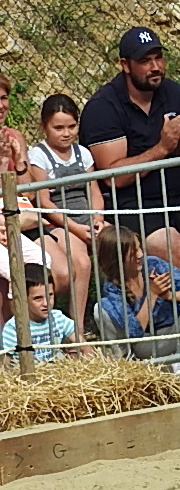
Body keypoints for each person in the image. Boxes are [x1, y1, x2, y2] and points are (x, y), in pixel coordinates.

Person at [80, 27, 180, 289]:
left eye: (158, 58)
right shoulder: (103, 107)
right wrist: (162, 147)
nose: (155, 66)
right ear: (125, 65)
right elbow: (114, 178)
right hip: (134, 203)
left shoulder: (175, 93)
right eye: (145, 61)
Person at [93, 222, 180, 380]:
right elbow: (134, 332)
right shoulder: (113, 288)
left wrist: (170, 296)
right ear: (117, 258)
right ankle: (128, 367)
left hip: (172, 335)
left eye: (139, 248)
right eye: (132, 253)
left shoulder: (153, 264)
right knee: (100, 309)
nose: (139, 255)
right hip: (143, 344)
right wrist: (152, 294)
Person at [26, 93, 106, 325]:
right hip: (59, 221)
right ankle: (76, 325)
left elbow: (94, 192)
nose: (66, 133)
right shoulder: (39, 155)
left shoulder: (83, 152)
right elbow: (44, 202)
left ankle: (121, 311)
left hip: (87, 215)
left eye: (71, 126)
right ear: (45, 127)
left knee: (122, 244)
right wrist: (77, 228)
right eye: (58, 127)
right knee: (82, 261)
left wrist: (98, 218)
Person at [1, 264, 86, 363]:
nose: (46, 303)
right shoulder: (14, 328)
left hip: (57, 373)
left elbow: (85, 346)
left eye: (50, 295)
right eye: (38, 298)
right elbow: (4, 367)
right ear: (23, 299)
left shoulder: (58, 318)